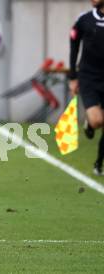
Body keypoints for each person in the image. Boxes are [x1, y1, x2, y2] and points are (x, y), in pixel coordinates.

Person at [69, 0, 104, 175]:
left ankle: (99, 163)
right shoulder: (84, 20)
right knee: (98, 121)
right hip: (89, 77)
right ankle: (90, 123)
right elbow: (73, 44)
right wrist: (73, 76)